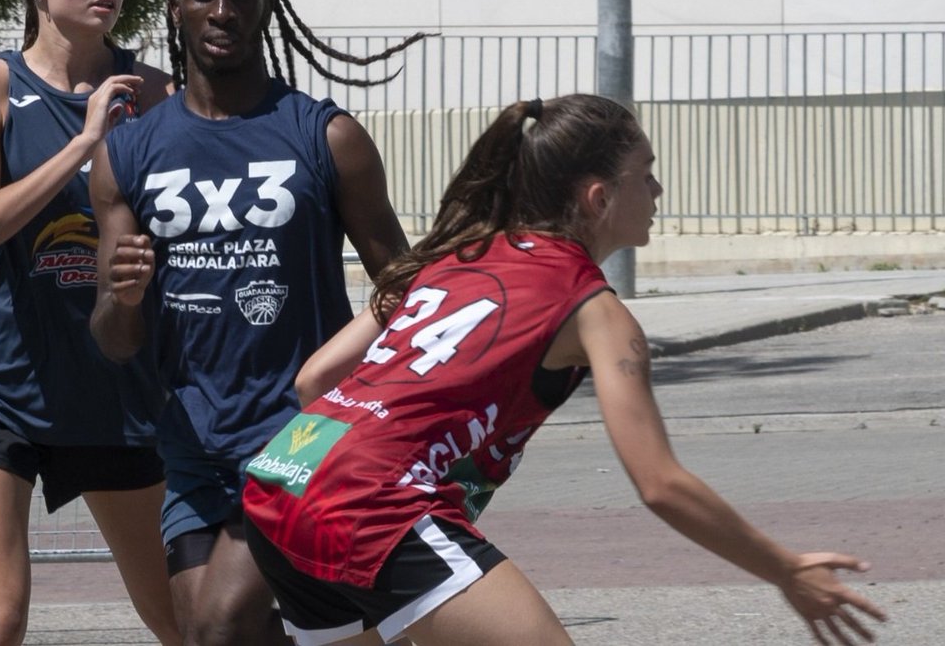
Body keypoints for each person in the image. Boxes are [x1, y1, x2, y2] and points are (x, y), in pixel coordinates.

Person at [240, 94, 889, 646]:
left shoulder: (455, 255)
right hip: (372, 501)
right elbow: (660, 483)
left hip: (282, 479)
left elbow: (315, 381)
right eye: (647, 174)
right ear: (599, 197)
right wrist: (782, 567)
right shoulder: (594, 309)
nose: (658, 190)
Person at [89, 0, 428, 646]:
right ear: (174, 8)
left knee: (219, 625)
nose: (223, 11)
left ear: (264, 3)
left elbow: (404, 293)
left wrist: (367, 400)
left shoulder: (325, 136)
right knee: (218, 636)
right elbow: (115, 340)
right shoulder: (129, 154)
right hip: (191, 448)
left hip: (301, 435)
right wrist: (123, 294)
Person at [0, 0, 179, 645]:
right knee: (1, 615)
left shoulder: (157, 92)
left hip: (111, 384)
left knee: (183, 619)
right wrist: (83, 144)